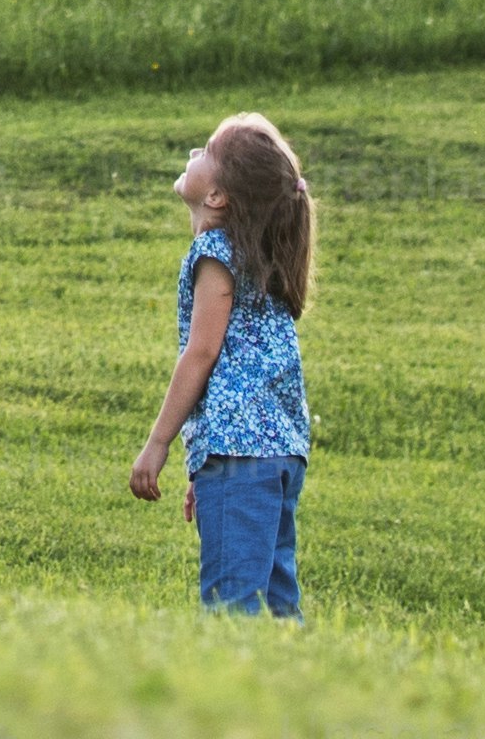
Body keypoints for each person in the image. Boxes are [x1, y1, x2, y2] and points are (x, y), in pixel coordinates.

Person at [125, 109, 316, 615]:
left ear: (217, 197)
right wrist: (205, 466)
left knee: (233, 606)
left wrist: (158, 444)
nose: (194, 153)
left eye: (206, 152)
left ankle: (234, 692)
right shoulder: (261, 254)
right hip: (277, 453)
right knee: (276, 601)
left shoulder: (216, 252)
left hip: (240, 454)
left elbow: (203, 354)